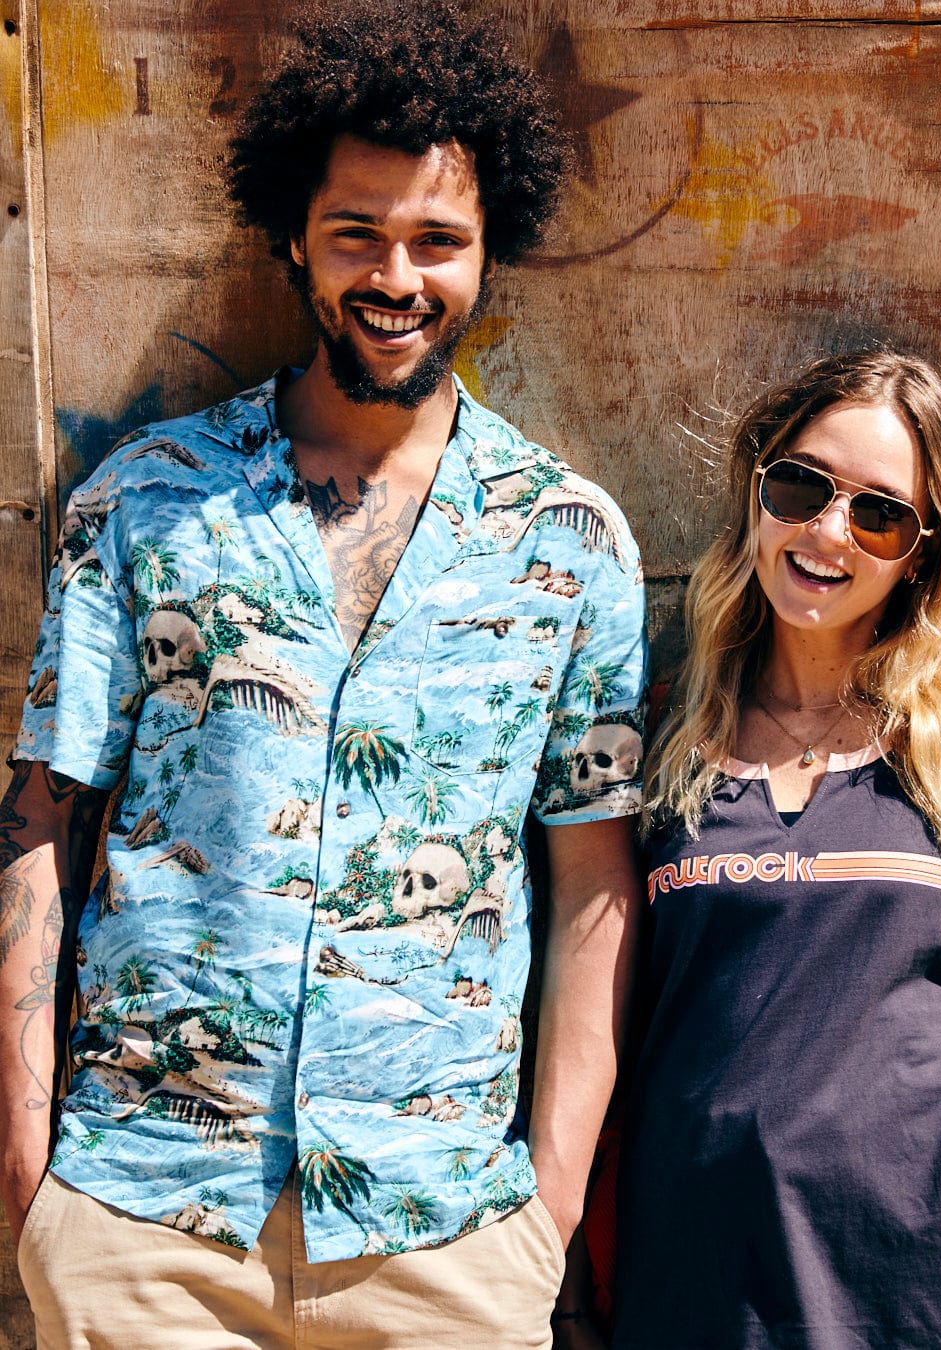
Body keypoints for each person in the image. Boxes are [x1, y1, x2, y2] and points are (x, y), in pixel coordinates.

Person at [0, 3, 647, 1345]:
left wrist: (551, 1210)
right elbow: (39, 829)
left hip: (447, 1240)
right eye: (356, 231)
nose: (394, 275)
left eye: (436, 240)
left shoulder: (571, 545)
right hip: (144, 1220)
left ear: (489, 255)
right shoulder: (144, 502)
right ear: (294, 235)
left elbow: (593, 881)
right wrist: (29, 1182)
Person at [612, 349, 941, 1349]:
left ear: (923, 550)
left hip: (930, 1282)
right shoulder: (659, 730)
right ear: (756, 493)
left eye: (880, 514)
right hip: (705, 1283)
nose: (829, 531)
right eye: (801, 486)